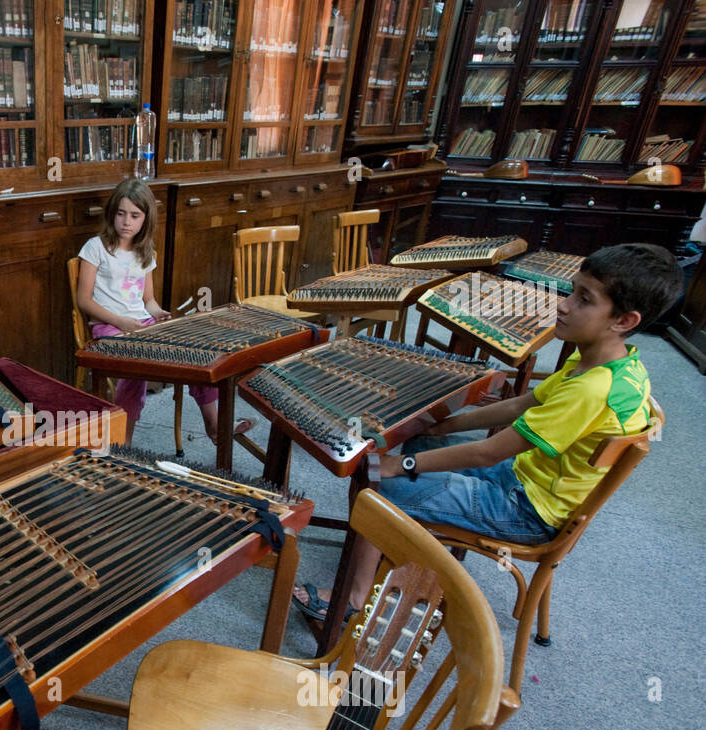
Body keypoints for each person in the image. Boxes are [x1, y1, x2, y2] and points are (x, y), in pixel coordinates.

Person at [293, 243, 682, 625]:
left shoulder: (592, 390)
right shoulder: (604, 363)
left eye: (584, 299)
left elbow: (489, 453)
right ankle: (394, 543)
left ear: (624, 321)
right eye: (572, 291)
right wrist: (443, 424)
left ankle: (356, 599)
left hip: (526, 510)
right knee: (425, 442)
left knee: (378, 485)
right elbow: (520, 405)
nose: (563, 304)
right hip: (525, 478)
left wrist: (401, 464)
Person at [76, 177, 253, 447]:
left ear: (145, 219)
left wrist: (159, 313)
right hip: (108, 327)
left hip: (142, 324)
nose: (126, 222)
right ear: (112, 214)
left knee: (195, 353)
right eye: (121, 214)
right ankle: (123, 442)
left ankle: (215, 426)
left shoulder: (146, 253)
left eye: (135, 215)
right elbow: (84, 300)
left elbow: (148, 300)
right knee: (137, 368)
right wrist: (121, 321)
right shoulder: (96, 247)